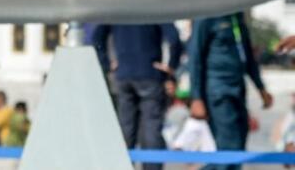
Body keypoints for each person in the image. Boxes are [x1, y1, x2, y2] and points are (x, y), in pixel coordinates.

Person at [91, 22, 182, 170]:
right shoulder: (155, 6)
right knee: (151, 128)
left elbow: (97, 37)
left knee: (126, 128)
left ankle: (122, 166)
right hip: (150, 74)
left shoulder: (117, 8)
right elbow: (174, 38)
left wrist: (107, 64)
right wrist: (171, 66)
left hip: (124, 74)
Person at [188, 12, 273, 170]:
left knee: (238, 146)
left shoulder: (237, 16)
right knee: (230, 147)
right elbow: (195, 59)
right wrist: (196, 98)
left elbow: (248, 57)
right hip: (218, 91)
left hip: (238, 89)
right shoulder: (206, 17)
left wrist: (261, 88)